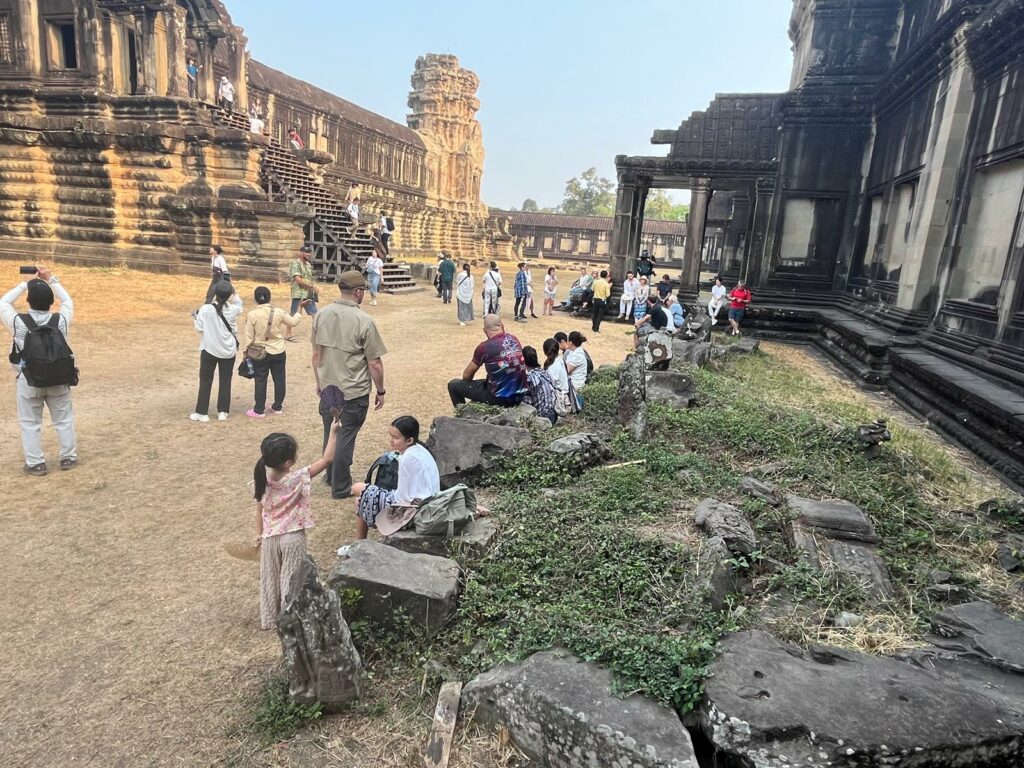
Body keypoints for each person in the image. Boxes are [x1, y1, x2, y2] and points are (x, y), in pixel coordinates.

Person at [253, 423, 339, 630]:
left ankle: (269, 618)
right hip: (292, 536)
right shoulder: (297, 477)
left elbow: (259, 509)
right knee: (291, 579)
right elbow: (327, 460)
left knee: (269, 578)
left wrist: (259, 534)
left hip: (270, 537)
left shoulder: (261, 478)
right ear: (289, 461)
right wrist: (334, 432)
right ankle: (290, 620)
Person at [312, 271, 386, 500]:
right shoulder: (363, 320)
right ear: (358, 292)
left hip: (329, 386)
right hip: (353, 389)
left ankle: (331, 475)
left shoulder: (321, 314)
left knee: (331, 431)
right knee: (346, 436)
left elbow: (316, 354)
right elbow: (374, 363)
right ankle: (341, 487)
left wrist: (319, 382)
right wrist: (381, 390)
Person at [1, 265, 77, 475]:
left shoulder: (19, 323)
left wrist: (25, 283)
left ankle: (36, 463)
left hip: (29, 379)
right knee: (63, 420)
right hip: (59, 378)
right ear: (52, 302)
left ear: (29, 301)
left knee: (30, 423)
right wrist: (51, 280)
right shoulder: (60, 320)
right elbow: (69, 302)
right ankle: (68, 458)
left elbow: (3, 303)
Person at [350, 416, 440, 539]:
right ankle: (360, 543)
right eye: (391, 436)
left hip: (413, 510)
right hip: (425, 503)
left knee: (358, 492)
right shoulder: (420, 450)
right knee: (362, 496)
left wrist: (381, 495)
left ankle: (359, 543)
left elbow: (402, 499)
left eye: (395, 438)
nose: (391, 440)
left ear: (409, 440)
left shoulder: (407, 459)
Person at [241, 287, 303, 418]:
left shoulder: (252, 314)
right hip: (278, 350)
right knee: (279, 379)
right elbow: (294, 322)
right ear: (270, 297)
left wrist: (245, 352)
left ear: (255, 298)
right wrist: (299, 310)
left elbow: (248, 337)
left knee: (260, 380)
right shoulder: (278, 312)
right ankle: (277, 407)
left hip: (260, 352)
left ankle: (259, 410)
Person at [447, 314, 526, 408]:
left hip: (498, 398)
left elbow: (467, 376)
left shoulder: (484, 348)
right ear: (502, 325)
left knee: (453, 385)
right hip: (520, 395)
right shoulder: (514, 339)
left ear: (484, 330)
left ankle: (461, 415)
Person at [191, 281, 243, 422]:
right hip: (228, 350)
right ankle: (223, 411)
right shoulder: (233, 309)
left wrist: (195, 319)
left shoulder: (206, 309)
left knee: (206, 380)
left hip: (209, 349)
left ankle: (202, 412)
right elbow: (240, 303)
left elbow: (199, 329)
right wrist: (233, 291)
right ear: (228, 295)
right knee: (225, 380)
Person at [521, 346, 557, 424]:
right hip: (553, 413)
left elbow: (523, 398)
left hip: (543, 416)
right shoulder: (545, 372)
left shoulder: (530, 378)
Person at [288, 244, 318, 317]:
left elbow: (309, 278)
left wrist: (314, 288)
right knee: (294, 315)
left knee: (315, 314)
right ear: (301, 253)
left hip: (309, 293)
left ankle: (317, 328)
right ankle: (288, 329)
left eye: (309, 252)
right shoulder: (295, 263)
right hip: (298, 293)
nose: (308, 254)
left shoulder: (308, 265)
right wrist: (311, 286)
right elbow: (298, 279)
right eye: (306, 252)